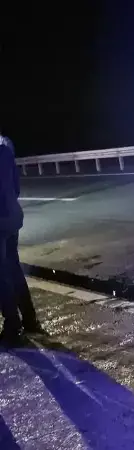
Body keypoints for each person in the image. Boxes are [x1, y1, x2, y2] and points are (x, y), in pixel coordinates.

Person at [0, 132, 42, 344]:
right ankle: (30, 319)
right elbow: (16, 188)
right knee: (14, 269)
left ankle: (12, 325)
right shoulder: (5, 150)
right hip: (12, 218)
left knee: (1, 276)